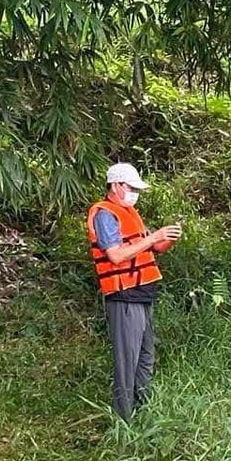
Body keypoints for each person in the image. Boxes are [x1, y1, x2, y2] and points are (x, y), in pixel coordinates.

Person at [87, 161, 181, 419]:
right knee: (127, 361)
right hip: (124, 295)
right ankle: (123, 418)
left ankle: (143, 410)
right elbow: (116, 255)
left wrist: (167, 238)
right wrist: (153, 237)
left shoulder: (130, 212)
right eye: (131, 188)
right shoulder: (105, 213)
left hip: (143, 293)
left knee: (145, 356)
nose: (134, 194)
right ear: (115, 186)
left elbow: (153, 249)